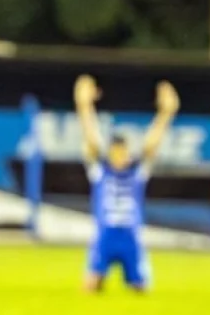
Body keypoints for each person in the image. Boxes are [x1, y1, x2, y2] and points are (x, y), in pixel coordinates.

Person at [73, 74, 178, 292]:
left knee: (140, 288)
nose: (121, 155)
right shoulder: (100, 170)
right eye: (116, 151)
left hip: (131, 239)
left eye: (124, 151)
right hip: (104, 237)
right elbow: (91, 141)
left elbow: (151, 146)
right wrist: (84, 106)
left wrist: (166, 113)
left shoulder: (137, 171)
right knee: (91, 286)